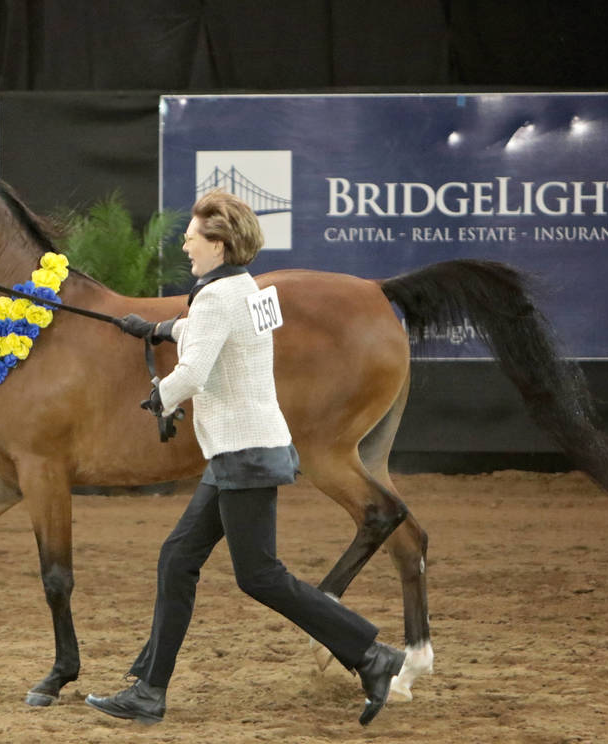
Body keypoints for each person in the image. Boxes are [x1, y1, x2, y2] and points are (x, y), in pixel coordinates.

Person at [85, 190, 406, 727]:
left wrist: (157, 398)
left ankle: (373, 656)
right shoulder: (247, 290)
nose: (185, 241)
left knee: (260, 576)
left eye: (194, 235)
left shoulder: (217, 298)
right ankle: (148, 690)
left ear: (219, 243)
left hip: (243, 453)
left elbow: (193, 373)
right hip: (242, 450)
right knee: (178, 558)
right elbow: (223, 332)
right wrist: (160, 328)